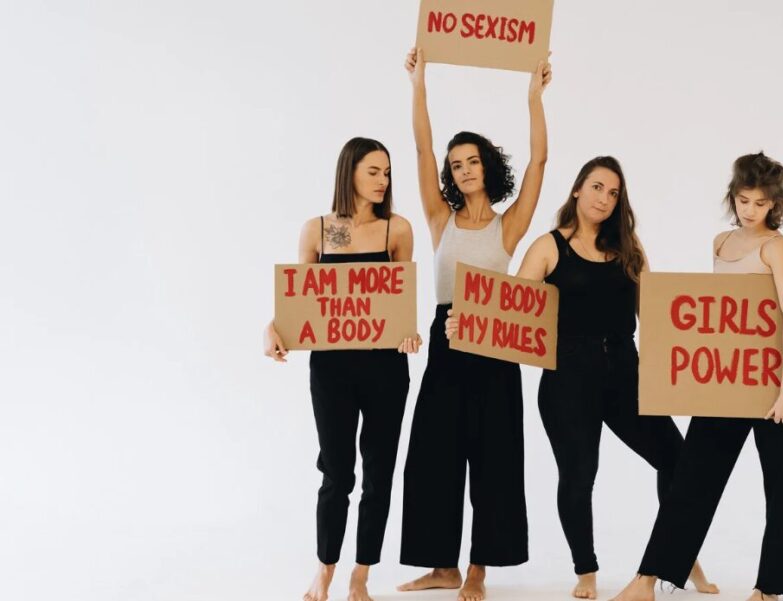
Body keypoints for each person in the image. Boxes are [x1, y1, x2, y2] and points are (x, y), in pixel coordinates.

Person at [446, 156, 718, 599]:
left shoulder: (630, 248)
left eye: (613, 193)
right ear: (577, 189)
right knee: (578, 475)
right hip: (567, 378)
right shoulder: (549, 247)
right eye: (597, 187)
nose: (604, 199)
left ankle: (677, 557)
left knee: (679, 460)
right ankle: (586, 570)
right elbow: (509, 313)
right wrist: (467, 325)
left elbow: (659, 316)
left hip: (624, 372)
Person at [611, 152, 783, 601]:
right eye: (743, 200)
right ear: (732, 197)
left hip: (778, 386)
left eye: (760, 203)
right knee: (692, 482)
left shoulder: (778, 248)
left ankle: (771, 588)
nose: (750, 210)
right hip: (729, 385)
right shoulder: (721, 242)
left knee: (781, 489)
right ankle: (648, 579)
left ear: (775, 205)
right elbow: (722, 320)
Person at [395, 48, 551, 601]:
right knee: (433, 453)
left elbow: (538, 165)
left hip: (495, 344)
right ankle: (443, 567)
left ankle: (480, 568)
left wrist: (533, 98)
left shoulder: (508, 229)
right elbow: (420, 146)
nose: (462, 169)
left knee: (494, 454)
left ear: (487, 166)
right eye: (456, 164)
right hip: (446, 337)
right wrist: (419, 85)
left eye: (472, 161)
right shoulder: (440, 219)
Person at [262, 137, 420, 601]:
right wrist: (270, 328)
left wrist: (408, 334)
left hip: (385, 370)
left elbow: (400, 304)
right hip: (331, 369)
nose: (382, 180)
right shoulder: (317, 230)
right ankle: (325, 568)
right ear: (348, 171)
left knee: (379, 472)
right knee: (337, 473)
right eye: (373, 171)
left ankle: (362, 574)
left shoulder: (397, 230)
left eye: (387, 172)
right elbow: (300, 302)